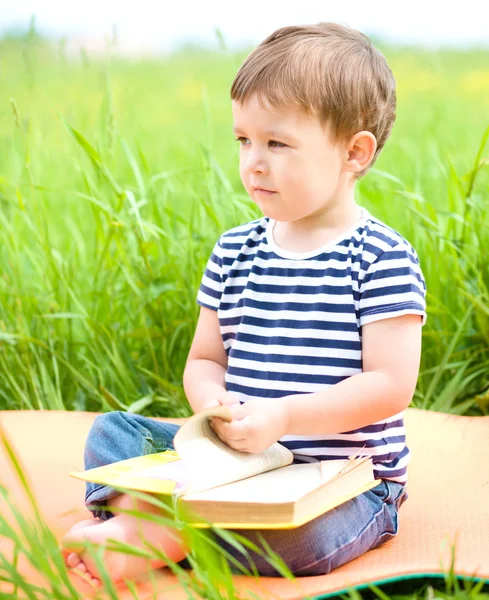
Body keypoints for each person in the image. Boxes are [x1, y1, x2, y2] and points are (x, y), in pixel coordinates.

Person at [61, 21, 427, 594]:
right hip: (234, 465)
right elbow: (205, 359)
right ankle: (177, 525)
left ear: (354, 152)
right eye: (243, 140)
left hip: (340, 480)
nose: (253, 162)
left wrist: (284, 419)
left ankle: (162, 531)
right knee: (115, 436)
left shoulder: (380, 257)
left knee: (306, 536)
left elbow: (389, 385)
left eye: (277, 143)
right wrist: (213, 407)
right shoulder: (235, 250)